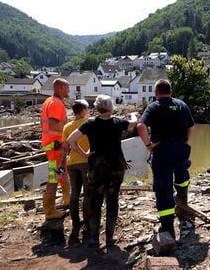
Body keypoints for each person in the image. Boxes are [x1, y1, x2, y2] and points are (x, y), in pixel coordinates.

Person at [65, 94, 137, 249]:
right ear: (111, 108)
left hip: (96, 168)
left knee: (95, 202)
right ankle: (110, 238)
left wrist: (84, 154)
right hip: (115, 168)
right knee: (112, 201)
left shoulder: (90, 123)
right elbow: (133, 125)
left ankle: (94, 238)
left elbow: (71, 140)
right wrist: (133, 115)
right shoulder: (118, 122)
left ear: (96, 108)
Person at [137, 79, 195, 240]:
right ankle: (183, 205)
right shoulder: (181, 105)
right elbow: (191, 127)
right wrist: (184, 142)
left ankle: (168, 226)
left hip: (162, 150)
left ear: (156, 93)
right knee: (182, 176)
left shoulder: (154, 106)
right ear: (170, 91)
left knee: (163, 187)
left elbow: (140, 126)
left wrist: (148, 145)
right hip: (181, 148)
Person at [60, 99, 90, 245]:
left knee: (74, 193)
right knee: (88, 193)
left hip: (72, 163)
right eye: (87, 109)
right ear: (83, 110)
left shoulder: (67, 126)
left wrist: (61, 163)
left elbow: (64, 147)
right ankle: (87, 224)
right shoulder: (89, 123)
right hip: (86, 162)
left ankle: (75, 223)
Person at [41, 78, 70, 220]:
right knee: (53, 177)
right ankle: (50, 211)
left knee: (62, 172)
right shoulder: (56, 103)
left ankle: (67, 201)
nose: (69, 90)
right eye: (67, 88)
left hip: (53, 146)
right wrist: (69, 128)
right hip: (55, 147)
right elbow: (53, 125)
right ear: (60, 88)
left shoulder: (49, 101)